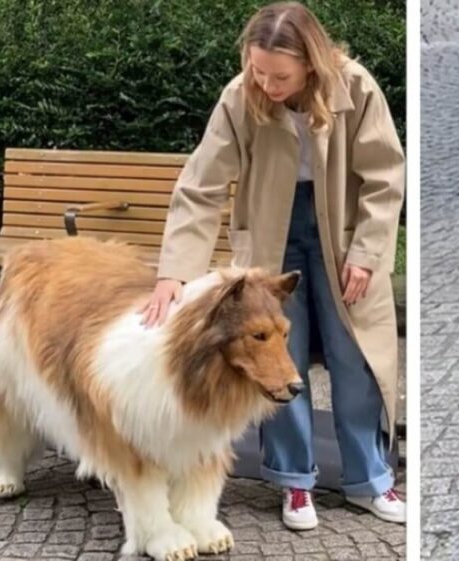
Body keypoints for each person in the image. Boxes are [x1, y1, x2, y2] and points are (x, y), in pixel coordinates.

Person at [140, 2, 406, 528]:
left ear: (311, 61)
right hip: (269, 243)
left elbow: (384, 177)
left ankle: (370, 479)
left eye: (279, 75)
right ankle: (293, 484)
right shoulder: (240, 95)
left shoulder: (356, 87)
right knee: (271, 364)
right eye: (258, 70)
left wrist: (369, 254)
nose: (266, 82)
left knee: (357, 358)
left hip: (344, 240)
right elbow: (201, 186)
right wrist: (174, 271)